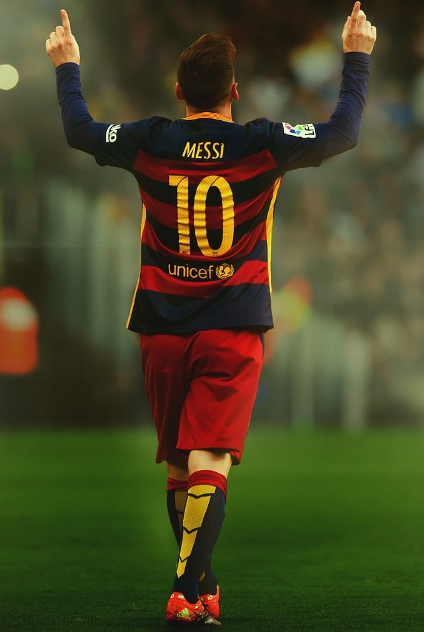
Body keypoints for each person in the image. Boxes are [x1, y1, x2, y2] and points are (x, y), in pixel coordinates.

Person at [46, 3, 376, 625]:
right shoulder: (262, 142)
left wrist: (68, 67)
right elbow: (342, 133)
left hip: (162, 327)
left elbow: (80, 130)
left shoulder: (150, 139)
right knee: (211, 461)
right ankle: (184, 589)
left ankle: (201, 586)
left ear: (178, 91)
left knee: (180, 464)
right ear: (234, 91)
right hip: (233, 324)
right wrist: (357, 56)